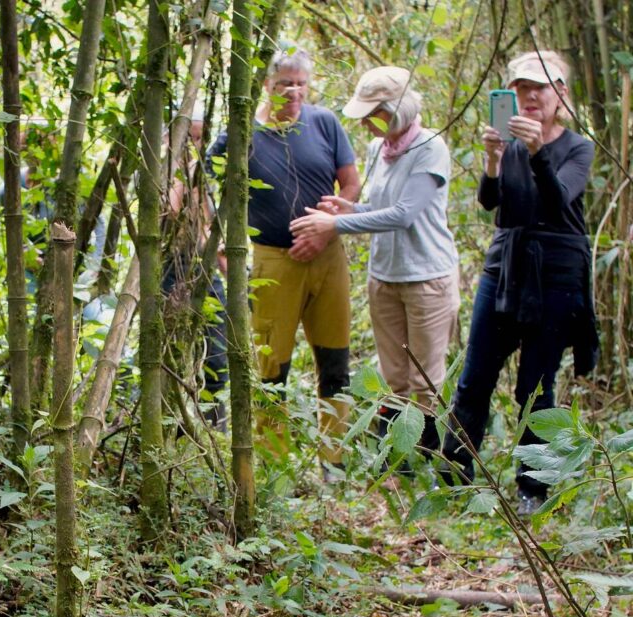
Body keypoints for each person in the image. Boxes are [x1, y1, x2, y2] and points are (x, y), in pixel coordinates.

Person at [440, 50, 598, 515]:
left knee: (536, 384)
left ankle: (533, 489)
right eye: (521, 87)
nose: (530, 96)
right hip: (504, 266)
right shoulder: (508, 142)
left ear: (559, 95)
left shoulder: (577, 147)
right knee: (474, 377)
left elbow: (558, 198)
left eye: (540, 88)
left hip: (557, 271)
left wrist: (536, 152)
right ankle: (454, 480)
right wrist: (492, 160)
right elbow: (492, 202)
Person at [289, 66, 459, 462]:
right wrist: (350, 208)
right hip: (385, 278)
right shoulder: (377, 150)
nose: (366, 123)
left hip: (427, 278)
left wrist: (336, 223)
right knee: (395, 378)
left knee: (425, 380)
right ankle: (398, 463)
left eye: (373, 114)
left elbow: (403, 215)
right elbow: (381, 210)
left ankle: (426, 459)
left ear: (395, 110)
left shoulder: (430, 147)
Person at [208, 47, 360, 466]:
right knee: (271, 366)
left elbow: (350, 184)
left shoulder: (325, 123)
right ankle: (275, 465)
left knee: (335, 363)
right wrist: (219, 242)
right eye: (283, 84)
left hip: (329, 256)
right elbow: (205, 181)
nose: (293, 92)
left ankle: (335, 464)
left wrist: (329, 223)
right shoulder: (241, 132)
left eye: (300, 84)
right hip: (273, 261)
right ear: (266, 86)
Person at [163, 106, 229, 430]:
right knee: (168, 356)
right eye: (189, 138)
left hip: (205, 269)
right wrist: (185, 171)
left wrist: (220, 256)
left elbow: (206, 225)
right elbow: (172, 213)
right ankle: (163, 432)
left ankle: (214, 431)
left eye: (202, 139)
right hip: (169, 270)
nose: (195, 146)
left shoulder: (204, 174)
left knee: (216, 356)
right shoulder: (160, 173)